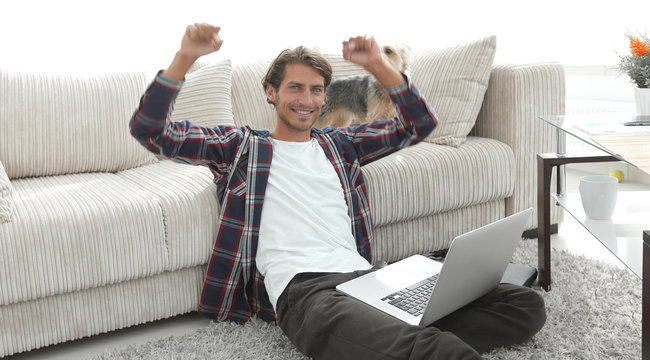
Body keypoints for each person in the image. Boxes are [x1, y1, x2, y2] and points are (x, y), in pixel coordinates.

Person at [130, 23, 546, 359]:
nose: (306, 100)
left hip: (370, 279)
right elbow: (150, 131)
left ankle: (390, 335)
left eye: (315, 90)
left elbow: (418, 125)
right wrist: (185, 57)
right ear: (271, 92)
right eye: (295, 87)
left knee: (524, 306)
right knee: (437, 350)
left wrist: (379, 65)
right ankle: (404, 339)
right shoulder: (241, 146)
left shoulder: (339, 145)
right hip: (309, 295)